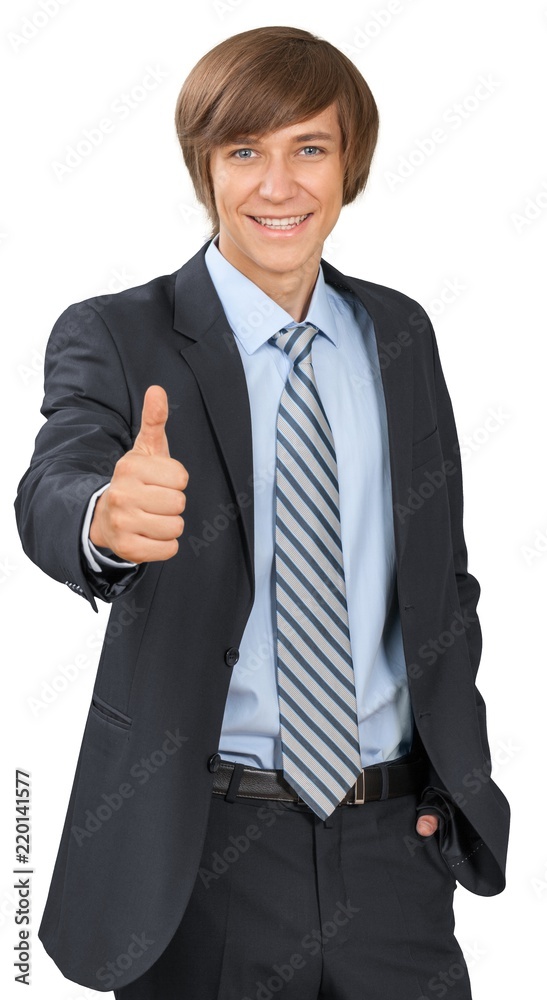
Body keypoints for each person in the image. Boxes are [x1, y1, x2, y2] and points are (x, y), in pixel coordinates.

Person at [14, 24, 510, 1000]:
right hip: (200, 855)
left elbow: (440, 577)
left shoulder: (399, 332)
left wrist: (455, 791)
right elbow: (51, 488)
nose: (277, 186)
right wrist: (105, 520)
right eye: (244, 151)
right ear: (204, 166)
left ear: (349, 164)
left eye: (307, 149)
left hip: (391, 856)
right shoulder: (118, 333)